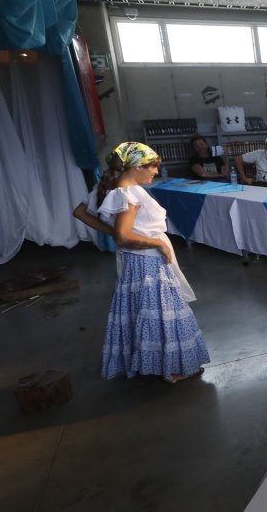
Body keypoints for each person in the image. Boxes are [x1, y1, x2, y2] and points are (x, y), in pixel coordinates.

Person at [84, 143, 208, 382]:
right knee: (164, 313)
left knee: (143, 313)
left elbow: (95, 219)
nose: (156, 172)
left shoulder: (121, 188)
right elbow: (124, 235)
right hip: (149, 263)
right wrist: (157, 244)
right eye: (153, 167)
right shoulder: (128, 192)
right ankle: (172, 369)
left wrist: (119, 235)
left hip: (138, 261)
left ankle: (151, 363)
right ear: (137, 166)